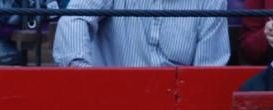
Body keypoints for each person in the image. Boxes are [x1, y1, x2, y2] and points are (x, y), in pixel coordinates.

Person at [53, 0, 230, 66]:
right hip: (110, 104)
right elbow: (73, 20)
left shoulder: (211, 2)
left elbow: (205, 79)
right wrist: (85, 76)